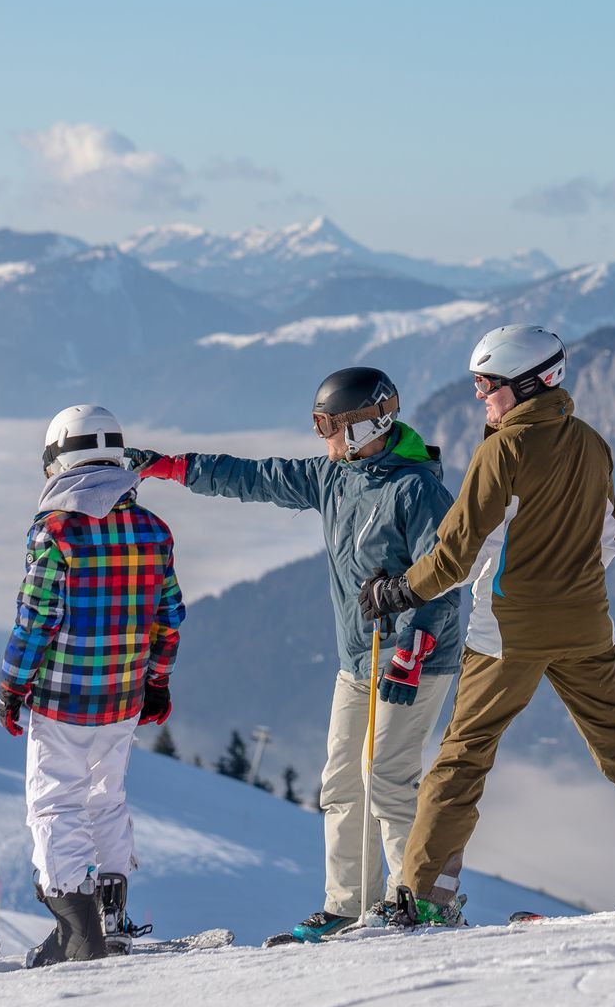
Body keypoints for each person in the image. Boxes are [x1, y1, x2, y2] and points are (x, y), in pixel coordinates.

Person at [357, 324, 615, 926]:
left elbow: (457, 554)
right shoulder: (591, 443)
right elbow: (609, 540)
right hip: (588, 626)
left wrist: (399, 591)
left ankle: (425, 899)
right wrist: (566, 585)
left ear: (527, 384)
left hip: (507, 632)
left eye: (487, 384)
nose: (479, 395)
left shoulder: (501, 451)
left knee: (463, 757)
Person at [128, 367, 460, 941]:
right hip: (359, 659)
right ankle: (348, 907)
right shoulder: (334, 476)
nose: (320, 435)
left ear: (366, 425)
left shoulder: (417, 490)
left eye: (328, 424)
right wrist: (168, 466)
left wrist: (414, 646)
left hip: (415, 659)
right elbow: (255, 477)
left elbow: (447, 578)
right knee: (340, 784)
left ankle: (416, 900)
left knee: (387, 777)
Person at [0, 404, 185, 967]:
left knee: (55, 804)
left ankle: (76, 934)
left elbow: (37, 619)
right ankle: (111, 918)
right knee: (107, 798)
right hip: (124, 697)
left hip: (63, 700)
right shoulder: (154, 530)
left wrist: (12, 685)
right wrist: (156, 681)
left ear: (59, 462)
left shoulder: (55, 532)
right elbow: (168, 615)